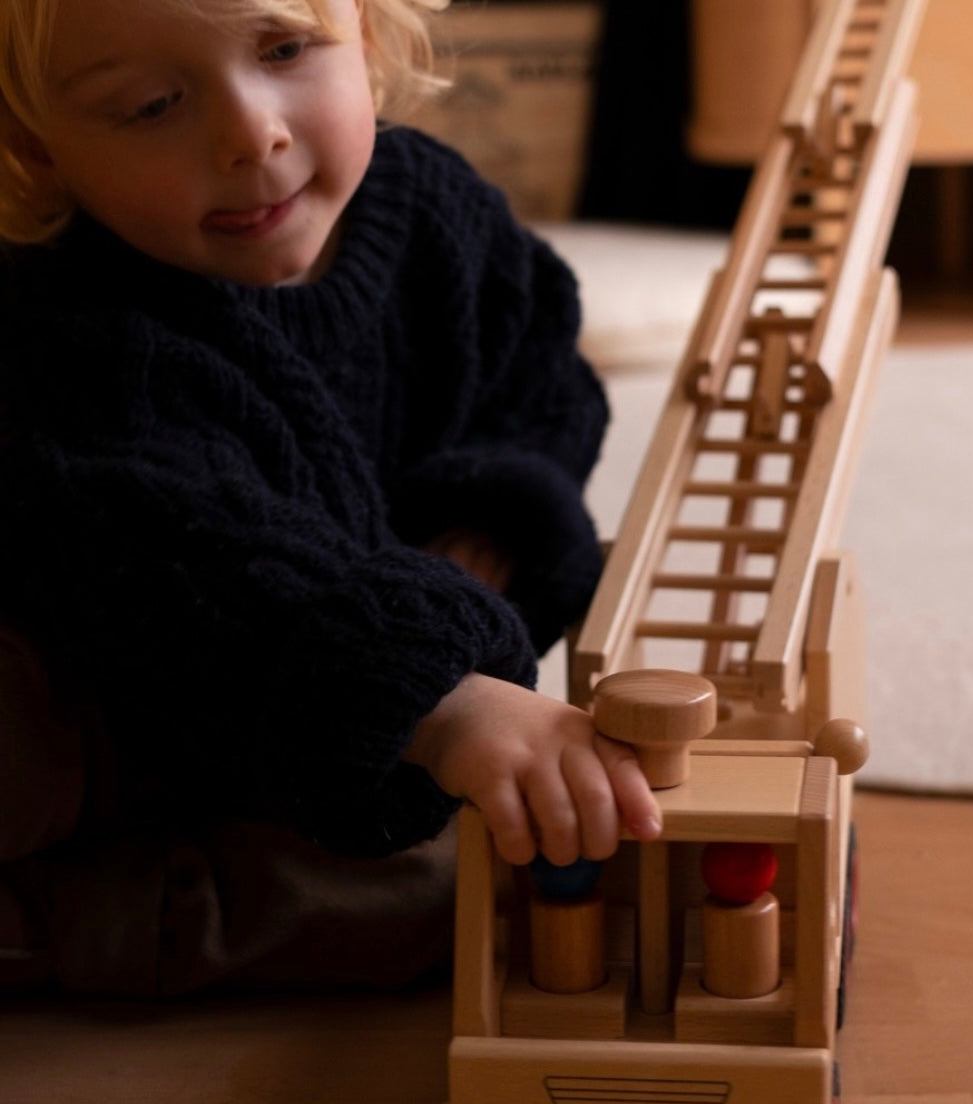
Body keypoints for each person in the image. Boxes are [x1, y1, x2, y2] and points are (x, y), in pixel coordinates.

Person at [0, 0, 661, 996]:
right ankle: (78, 925)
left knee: (446, 884)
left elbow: (538, 385)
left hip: (319, 688)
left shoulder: (432, 210)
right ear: (35, 148)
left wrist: (487, 524)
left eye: (285, 50)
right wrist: (437, 700)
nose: (250, 132)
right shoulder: (79, 333)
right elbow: (202, 563)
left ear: (371, 34)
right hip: (109, 667)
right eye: (149, 106)